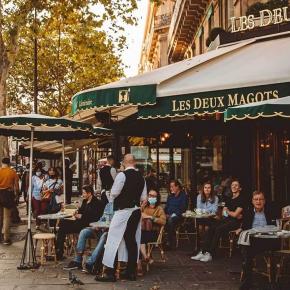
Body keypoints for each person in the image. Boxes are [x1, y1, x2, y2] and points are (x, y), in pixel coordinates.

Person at [95, 154, 147, 282]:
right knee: (131, 240)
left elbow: (114, 193)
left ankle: (110, 273)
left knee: (113, 239)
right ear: (134, 162)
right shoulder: (141, 178)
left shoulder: (122, 175)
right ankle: (130, 272)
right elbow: (143, 198)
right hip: (136, 211)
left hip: (123, 210)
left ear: (124, 162)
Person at [192, 179, 244, 262]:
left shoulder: (241, 199)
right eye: (232, 185)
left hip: (235, 223)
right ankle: (203, 251)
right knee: (212, 227)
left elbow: (235, 215)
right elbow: (224, 213)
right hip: (227, 219)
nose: (234, 187)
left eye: (236, 185)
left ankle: (210, 253)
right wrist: (231, 213)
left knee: (218, 229)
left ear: (240, 188)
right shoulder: (229, 198)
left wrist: (230, 212)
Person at [239, 191, 278, 290]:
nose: (258, 201)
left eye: (260, 199)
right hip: (254, 241)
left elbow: (276, 226)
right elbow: (245, 228)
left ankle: (273, 282)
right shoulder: (248, 213)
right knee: (247, 253)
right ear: (252, 201)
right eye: (256, 199)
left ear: (264, 201)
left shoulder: (270, 212)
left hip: (268, 241)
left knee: (275, 254)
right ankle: (247, 283)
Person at [63, 199, 114, 273]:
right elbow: (102, 218)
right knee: (84, 232)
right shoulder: (109, 205)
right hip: (99, 229)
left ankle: (90, 263)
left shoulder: (120, 208)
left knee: (104, 236)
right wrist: (97, 225)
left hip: (108, 232)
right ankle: (78, 260)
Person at [56, 185, 104, 260]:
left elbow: (95, 217)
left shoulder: (97, 203)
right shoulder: (85, 201)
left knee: (62, 229)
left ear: (89, 193)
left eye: (84, 193)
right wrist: (76, 212)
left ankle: (59, 252)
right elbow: (81, 211)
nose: (83, 195)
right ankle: (59, 251)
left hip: (88, 224)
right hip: (80, 222)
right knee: (62, 223)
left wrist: (81, 216)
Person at [138, 190, 166, 275]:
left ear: (157, 198)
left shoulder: (159, 209)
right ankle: (145, 257)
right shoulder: (145, 207)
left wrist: (151, 217)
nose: (151, 197)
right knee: (139, 238)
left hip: (154, 233)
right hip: (143, 232)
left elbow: (163, 221)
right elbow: (136, 215)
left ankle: (140, 264)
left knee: (138, 238)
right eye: (150, 195)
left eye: (154, 196)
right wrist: (142, 206)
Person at [0, 157, 19, 245]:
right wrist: (17, 195)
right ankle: (6, 238)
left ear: (2, 162)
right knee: (7, 217)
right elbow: (16, 186)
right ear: (9, 163)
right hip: (7, 194)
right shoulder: (12, 172)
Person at [164, 180, 187, 249]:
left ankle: (169, 242)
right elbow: (166, 207)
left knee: (170, 220)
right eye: (170, 187)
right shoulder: (170, 196)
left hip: (178, 216)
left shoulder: (183, 196)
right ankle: (157, 240)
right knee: (158, 218)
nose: (171, 188)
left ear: (177, 187)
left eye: (172, 187)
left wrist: (172, 215)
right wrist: (164, 213)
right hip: (168, 215)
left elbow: (183, 209)